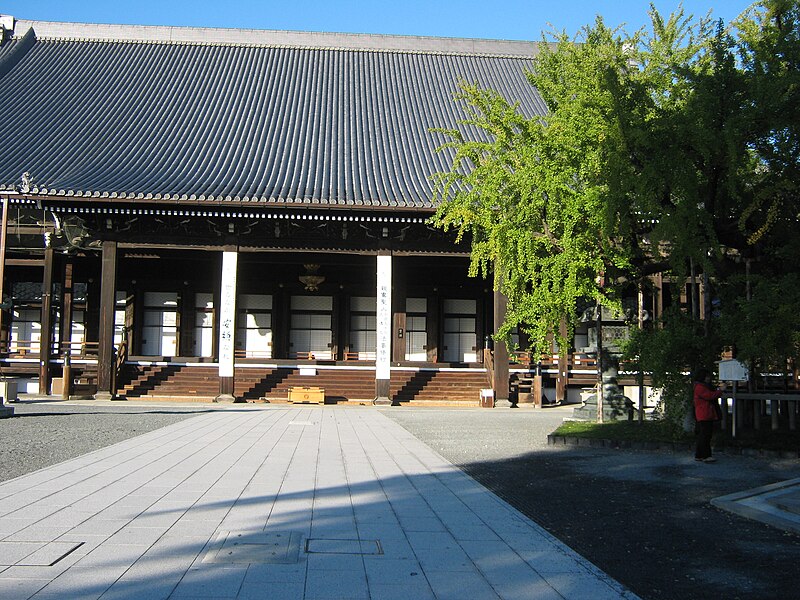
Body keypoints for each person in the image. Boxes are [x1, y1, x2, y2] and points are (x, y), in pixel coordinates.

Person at [692, 368, 725, 463]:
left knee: (703, 435)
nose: (708, 378)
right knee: (705, 435)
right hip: (704, 413)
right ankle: (706, 455)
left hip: (703, 413)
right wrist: (720, 391)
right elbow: (709, 396)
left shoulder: (699, 386)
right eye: (707, 376)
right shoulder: (700, 387)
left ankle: (699, 455)